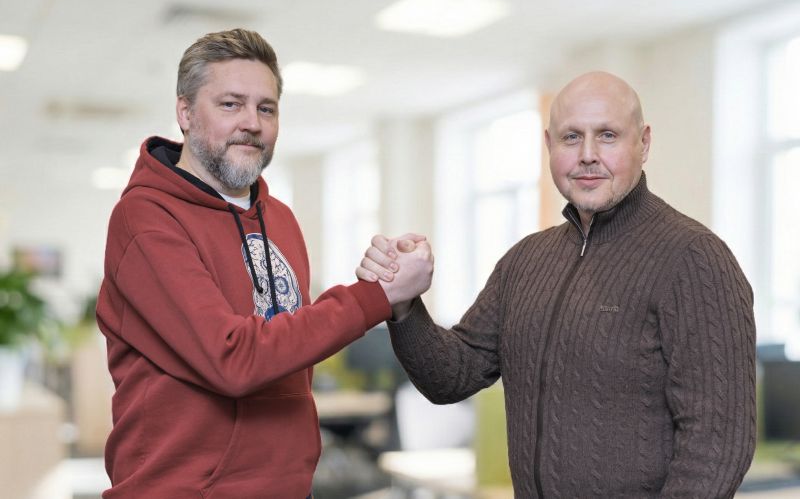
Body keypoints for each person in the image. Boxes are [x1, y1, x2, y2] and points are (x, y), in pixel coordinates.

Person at [358, 71, 756, 498]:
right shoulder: (525, 261)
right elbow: (450, 377)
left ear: (643, 143)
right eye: (571, 137)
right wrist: (404, 303)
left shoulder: (694, 258)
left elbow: (717, 445)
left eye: (607, 135)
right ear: (549, 145)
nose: (587, 155)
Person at [95, 28, 431, 499]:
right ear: (185, 113)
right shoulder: (146, 218)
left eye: (266, 108)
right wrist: (374, 296)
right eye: (230, 104)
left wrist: (385, 279)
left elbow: (291, 350)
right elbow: (231, 359)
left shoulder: (281, 219)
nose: (251, 123)